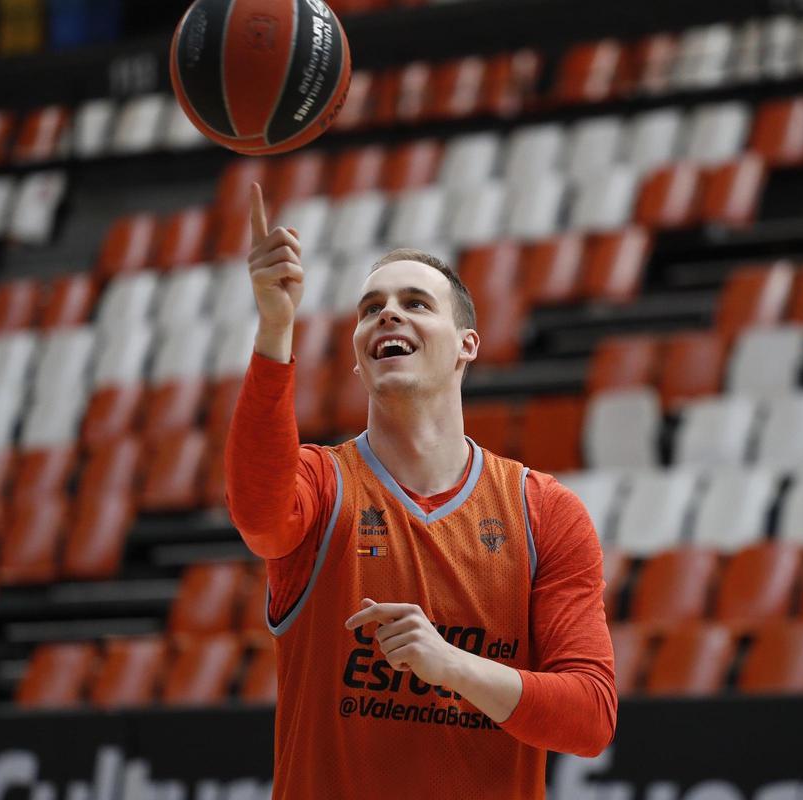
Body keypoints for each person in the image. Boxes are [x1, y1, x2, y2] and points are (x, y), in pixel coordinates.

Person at [225, 183, 616, 799]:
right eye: (370, 308)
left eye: (415, 303)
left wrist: (450, 665)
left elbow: (590, 717)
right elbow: (257, 515)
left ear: (467, 345)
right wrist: (276, 327)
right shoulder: (323, 486)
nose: (387, 314)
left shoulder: (544, 511)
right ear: (358, 359)